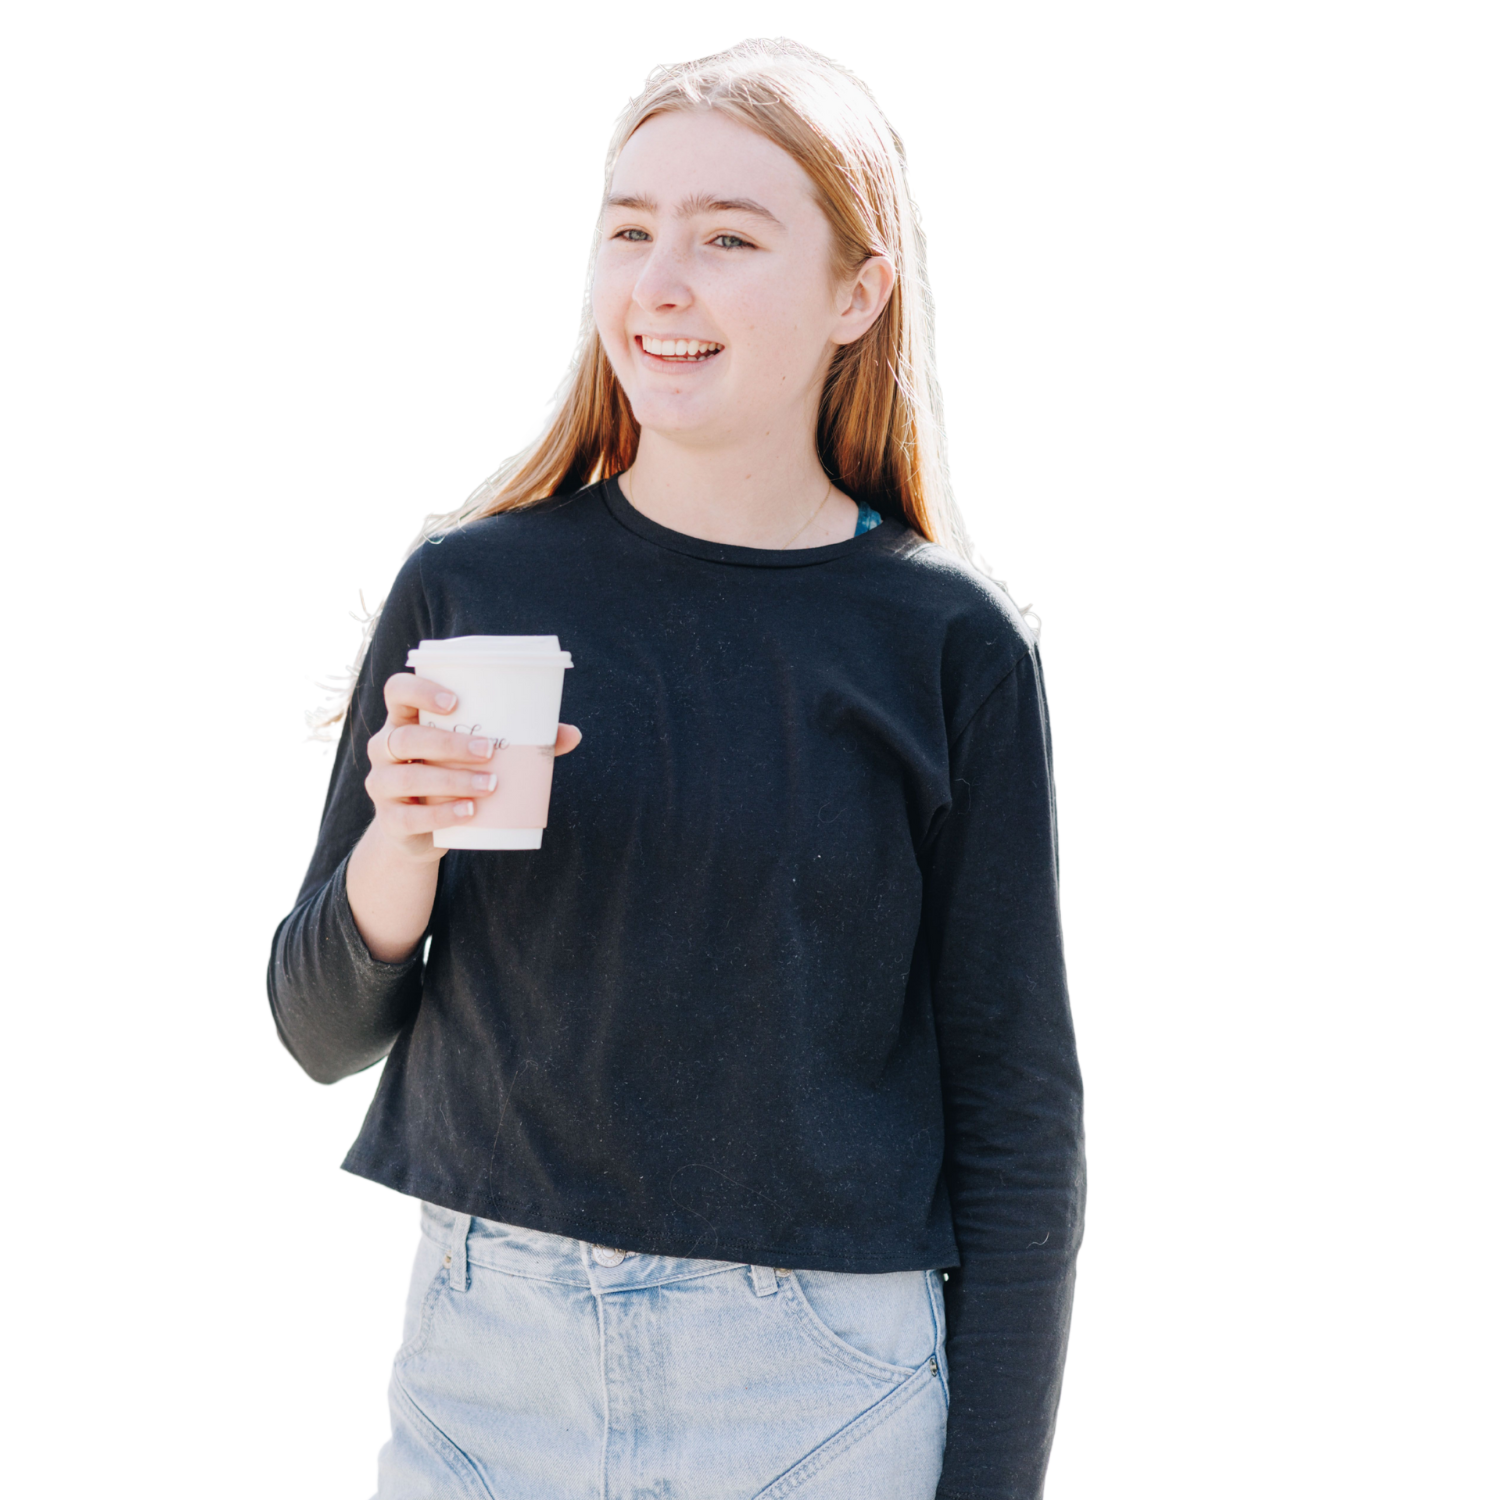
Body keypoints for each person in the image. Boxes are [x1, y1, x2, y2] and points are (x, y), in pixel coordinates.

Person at [269, 37, 1084, 1500]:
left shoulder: (950, 644)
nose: (660, 282)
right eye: (629, 229)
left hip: (818, 1399)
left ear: (857, 294)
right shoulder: (472, 588)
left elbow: (1018, 1119)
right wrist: (401, 846)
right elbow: (318, 1031)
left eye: (728, 238)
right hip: (482, 1380)